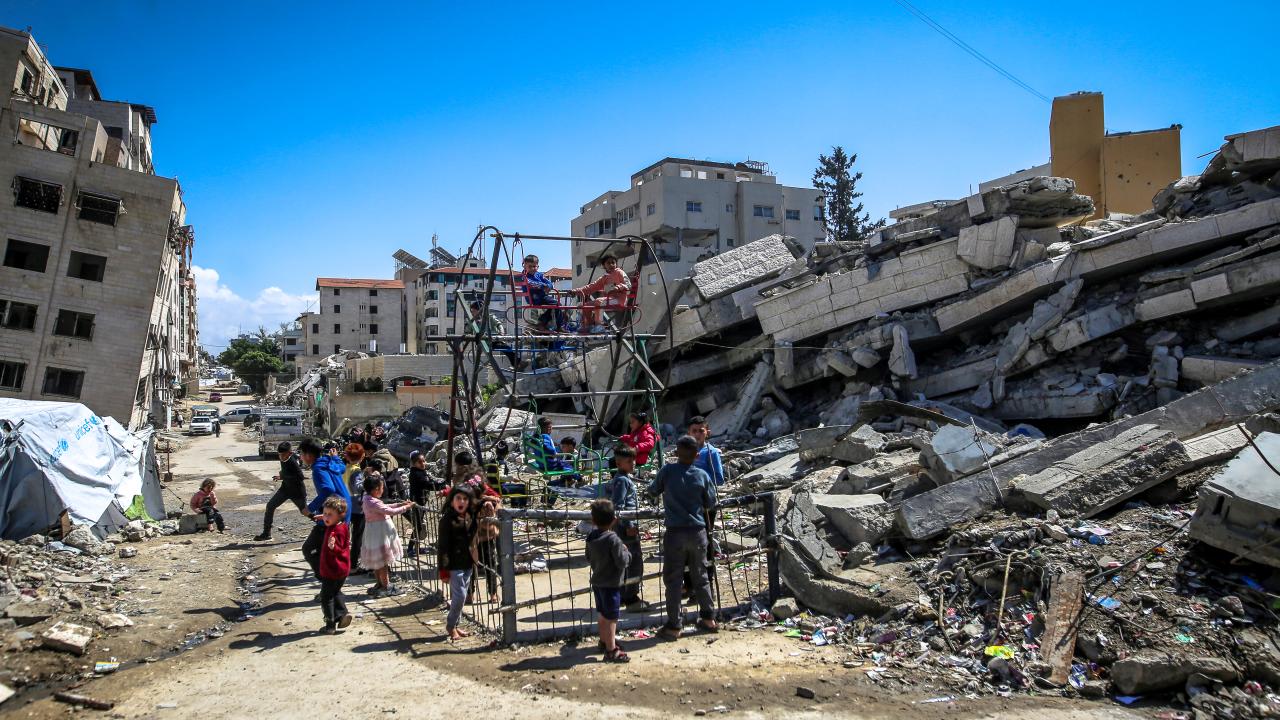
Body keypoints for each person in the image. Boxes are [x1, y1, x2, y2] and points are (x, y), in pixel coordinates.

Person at [646, 435, 718, 640]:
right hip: (698, 532)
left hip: (675, 532)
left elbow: (652, 491)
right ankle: (708, 618)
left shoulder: (667, 471)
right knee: (701, 576)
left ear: (676, 452)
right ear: (697, 455)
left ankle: (674, 625)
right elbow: (711, 502)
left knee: (673, 580)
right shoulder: (702, 475)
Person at [586, 498, 632, 662]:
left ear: (593, 520)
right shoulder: (613, 539)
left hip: (597, 582)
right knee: (612, 617)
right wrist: (626, 552)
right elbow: (622, 562)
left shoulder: (591, 537)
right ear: (614, 520)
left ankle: (604, 640)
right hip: (611, 584)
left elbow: (588, 557)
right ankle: (612, 650)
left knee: (602, 614)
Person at [300, 439, 351, 577]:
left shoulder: (318, 468)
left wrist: (310, 508)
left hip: (335, 509)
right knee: (332, 548)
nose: (301, 457)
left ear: (309, 455)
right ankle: (331, 579)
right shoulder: (329, 461)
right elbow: (342, 467)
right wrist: (335, 457)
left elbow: (328, 489)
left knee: (310, 549)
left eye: (302, 454)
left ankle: (328, 579)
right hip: (343, 506)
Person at [360, 473, 415, 598]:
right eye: (382, 488)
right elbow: (390, 511)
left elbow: (385, 506)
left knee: (377, 561)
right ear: (376, 489)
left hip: (373, 533)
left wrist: (400, 504)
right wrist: (406, 507)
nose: (383, 490)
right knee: (383, 561)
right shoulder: (373, 502)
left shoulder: (367, 499)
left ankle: (379, 584)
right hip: (380, 534)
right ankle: (386, 586)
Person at [610, 446, 648, 612]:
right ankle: (631, 598)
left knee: (626, 561)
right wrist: (629, 525)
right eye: (629, 461)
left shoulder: (624, 478)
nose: (633, 463)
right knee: (633, 562)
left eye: (634, 460)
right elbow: (619, 506)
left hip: (625, 525)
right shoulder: (622, 481)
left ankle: (623, 596)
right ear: (619, 463)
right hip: (626, 527)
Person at [438, 485, 478, 641]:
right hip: (454, 565)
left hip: (468, 562)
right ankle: (451, 625)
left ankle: (455, 624)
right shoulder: (447, 520)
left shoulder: (469, 515)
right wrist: (443, 569)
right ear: (452, 501)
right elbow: (443, 547)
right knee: (460, 596)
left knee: (460, 596)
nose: (461, 502)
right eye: (458, 498)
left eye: (465, 499)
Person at [255, 441, 309, 541]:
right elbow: (286, 472)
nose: (281, 457)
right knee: (270, 506)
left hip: (297, 492)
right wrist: (281, 477)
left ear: (290, 453)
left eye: (283, 455)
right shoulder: (283, 458)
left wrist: (284, 476)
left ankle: (324, 526)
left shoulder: (292, 462)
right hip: (285, 489)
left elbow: (300, 477)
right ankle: (266, 533)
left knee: (305, 512)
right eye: (279, 454)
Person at [317, 495, 353, 634]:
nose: (326, 517)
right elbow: (329, 519)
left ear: (340, 515)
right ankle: (342, 614)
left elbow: (339, 549)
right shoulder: (341, 526)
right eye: (325, 513)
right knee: (335, 592)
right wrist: (323, 518)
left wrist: (333, 547)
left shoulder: (334, 531)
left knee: (326, 597)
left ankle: (330, 624)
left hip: (332, 569)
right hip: (341, 569)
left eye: (329, 514)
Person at [571, 253, 630, 333]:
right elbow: (591, 287)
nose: (611, 265)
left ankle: (599, 325)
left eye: (613, 262)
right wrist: (576, 291)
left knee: (599, 301)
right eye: (608, 263)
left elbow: (628, 284)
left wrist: (618, 287)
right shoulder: (604, 278)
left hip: (619, 300)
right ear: (604, 265)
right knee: (584, 305)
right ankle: (588, 325)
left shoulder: (619, 273)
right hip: (609, 300)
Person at [519, 254, 563, 333]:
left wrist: (548, 286)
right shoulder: (525, 276)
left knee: (557, 305)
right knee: (557, 305)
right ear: (524, 266)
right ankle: (556, 326)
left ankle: (543, 322)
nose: (533, 268)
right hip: (534, 298)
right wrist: (544, 286)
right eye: (530, 266)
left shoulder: (539, 275)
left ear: (538, 266)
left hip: (542, 296)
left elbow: (550, 283)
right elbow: (531, 283)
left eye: (534, 266)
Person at [342, 443, 368, 573]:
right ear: (362, 456)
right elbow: (358, 487)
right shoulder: (356, 471)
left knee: (347, 535)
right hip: (357, 506)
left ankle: (346, 561)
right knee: (358, 536)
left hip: (346, 504)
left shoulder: (345, 468)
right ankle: (353, 565)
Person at [687, 416, 725, 486]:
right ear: (689, 433)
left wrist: (698, 477)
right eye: (694, 431)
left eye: (701, 431)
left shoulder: (711, 452)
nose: (697, 434)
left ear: (708, 433)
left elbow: (719, 479)